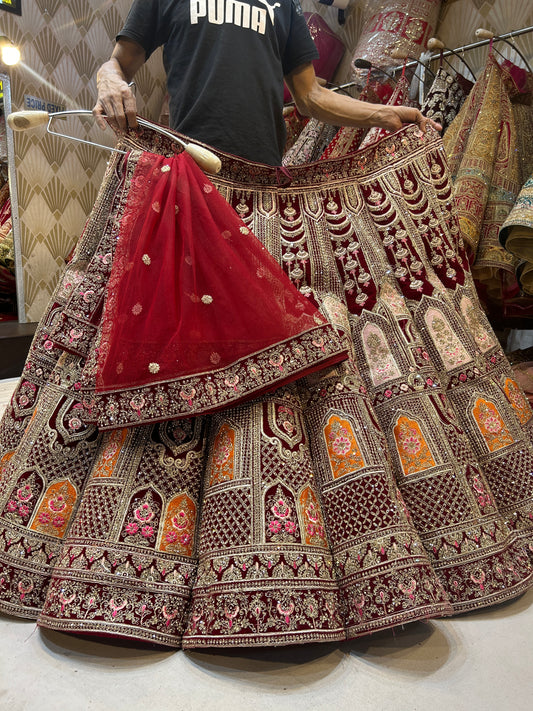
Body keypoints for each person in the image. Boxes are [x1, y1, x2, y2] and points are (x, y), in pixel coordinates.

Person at [93, 0, 441, 165]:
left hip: (264, 179)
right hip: (193, 170)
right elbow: (118, 64)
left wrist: (383, 113)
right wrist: (107, 79)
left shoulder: (284, 5)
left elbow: (311, 96)